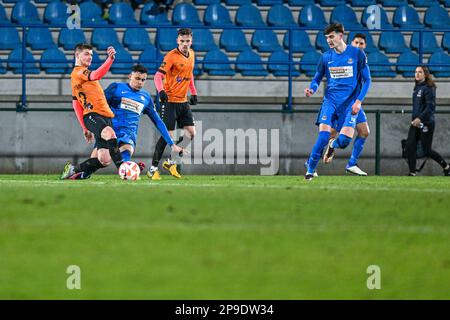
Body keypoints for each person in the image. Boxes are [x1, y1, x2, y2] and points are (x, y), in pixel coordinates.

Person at [68, 64, 184, 179]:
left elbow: (158, 121)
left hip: (128, 134)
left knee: (127, 150)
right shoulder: (116, 88)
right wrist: (92, 124)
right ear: (130, 76)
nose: (140, 82)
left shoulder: (146, 98)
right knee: (100, 161)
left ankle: (128, 166)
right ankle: (79, 173)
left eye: (143, 80)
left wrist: (172, 144)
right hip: (109, 130)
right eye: (137, 78)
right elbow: (99, 104)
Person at [304, 23, 371, 180]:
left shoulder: (357, 54)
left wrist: (359, 101)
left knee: (345, 140)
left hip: (350, 104)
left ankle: (334, 147)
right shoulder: (326, 57)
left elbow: (368, 80)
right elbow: (317, 78)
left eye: (331, 36)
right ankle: (310, 171)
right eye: (327, 38)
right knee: (323, 136)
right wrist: (312, 88)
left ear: (341, 36)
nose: (328, 40)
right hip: (331, 102)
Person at [61, 43, 124, 180]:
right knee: (110, 134)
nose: (90, 57)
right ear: (77, 55)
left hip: (105, 117)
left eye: (91, 55)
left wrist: (84, 128)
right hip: (93, 115)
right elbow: (96, 75)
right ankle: (123, 169)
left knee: (104, 160)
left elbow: (76, 103)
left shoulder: (77, 77)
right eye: (87, 54)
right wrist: (110, 59)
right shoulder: (80, 72)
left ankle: (75, 170)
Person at [147, 28, 198, 180]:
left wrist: (193, 92)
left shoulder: (192, 54)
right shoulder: (171, 56)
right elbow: (157, 76)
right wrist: (160, 90)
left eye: (187, 41)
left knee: (190, 133)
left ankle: (171, 162)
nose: (185, 44)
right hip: (169, 102)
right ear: (177, 41)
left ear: (191, 41)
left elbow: (189, 75)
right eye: (182, 41)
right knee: (166, 135)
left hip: (183, 102)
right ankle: (153, 168)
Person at [405, 65, 450, 176]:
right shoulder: (417, 88)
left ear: (425, 74)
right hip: (415, 123)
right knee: (409, 146)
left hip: (426, 123)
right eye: (415, 72)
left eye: (420, 72)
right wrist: (415, 119)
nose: (417, 74)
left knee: (426, 150)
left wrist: (420, 118)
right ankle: (412, 172)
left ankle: (446, 167)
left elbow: (430, 107)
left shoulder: (429, 88)